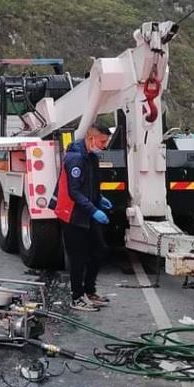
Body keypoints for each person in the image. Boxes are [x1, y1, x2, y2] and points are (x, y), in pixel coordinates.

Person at [54, 124, 113, 312]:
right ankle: (77, 297)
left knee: (98, 250)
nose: (104, 146)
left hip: (86, 212)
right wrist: (93, 210)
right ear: (91, 138)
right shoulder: (75, 158)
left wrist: (99, 199)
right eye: (102, 141)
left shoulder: (91, 157)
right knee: (78, 258)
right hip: (71, 214)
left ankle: (89, 291)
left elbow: (91, 186)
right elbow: (74, 192)